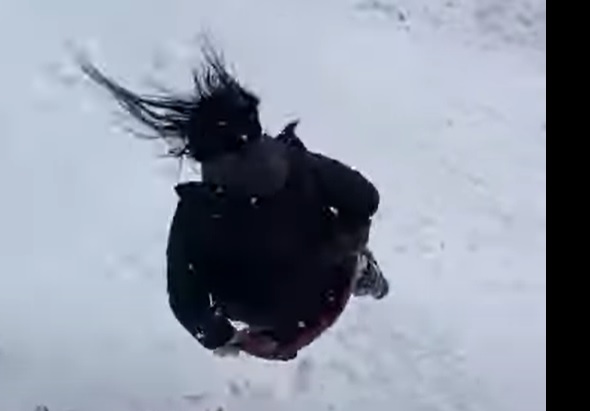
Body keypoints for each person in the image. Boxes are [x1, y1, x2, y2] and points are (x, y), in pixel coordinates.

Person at [79, 44, 389, 361]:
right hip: (331, 281)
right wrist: (345, 243)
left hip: (279, 327)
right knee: (342, 249)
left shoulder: (196, 217)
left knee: (263, 318)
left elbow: (187, 303)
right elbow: (364, 196)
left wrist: (225, 337)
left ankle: (350, 277)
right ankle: (363, 273)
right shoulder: (298, 164)